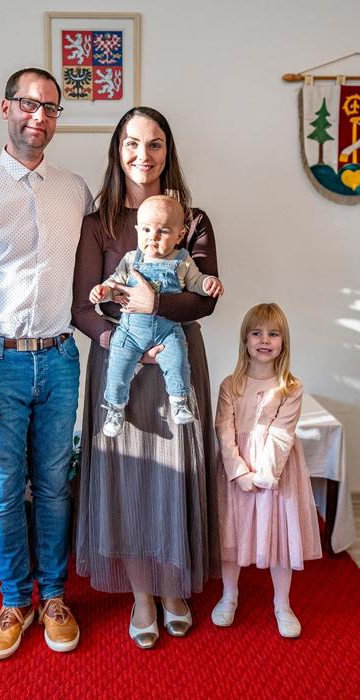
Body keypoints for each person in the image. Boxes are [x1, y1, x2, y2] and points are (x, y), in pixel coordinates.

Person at [0, 67, 93, 659]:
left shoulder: (75, 190)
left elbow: (93, 273)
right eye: (29, 104)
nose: (39, 116)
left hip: (58, 360)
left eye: (50, 108)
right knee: (4, 491)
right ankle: (13, 602)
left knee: (54, 486)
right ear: (5, 108)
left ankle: (53, 597)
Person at [72, 106, 221, 649]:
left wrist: (157, 306)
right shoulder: (99, 224)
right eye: (132, 143)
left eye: (155, 143)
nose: (143, 154)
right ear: (118, 151)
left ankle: (174, 588)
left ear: (167, 152)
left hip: (178, 361)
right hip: (122, 367)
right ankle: (141, 594)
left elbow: (205, 297)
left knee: (174, 475)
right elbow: (83, 306)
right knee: (128, 480)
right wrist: (120, 344)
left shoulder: (193, 220)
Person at [211, 303, 322, 638]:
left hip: (277, 472)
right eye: (256, 333)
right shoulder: (231, 384)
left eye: (273, 334)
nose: (264, 340)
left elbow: (281, 434)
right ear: (245, 340)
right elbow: (224, 430)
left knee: (279, 535)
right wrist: (239, 472)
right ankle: (229, 594)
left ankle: (282, 603)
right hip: (236, 471)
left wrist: (263, 476)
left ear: (283, 342)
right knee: (231, 531)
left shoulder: (291, 386)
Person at [90, 194, 223, 436]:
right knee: (117, 366)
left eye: (162, 231)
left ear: (180, 235)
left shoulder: (183, 260)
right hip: (130, 331)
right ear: (137, 231)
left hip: (167, 329)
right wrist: (104, 292)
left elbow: (195, 282)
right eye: (146, 230)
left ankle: (179, 400)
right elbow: (115, 284)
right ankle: (115, 408)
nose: (153, 236)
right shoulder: (131, 259)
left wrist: (208, 283)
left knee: (178, 359)